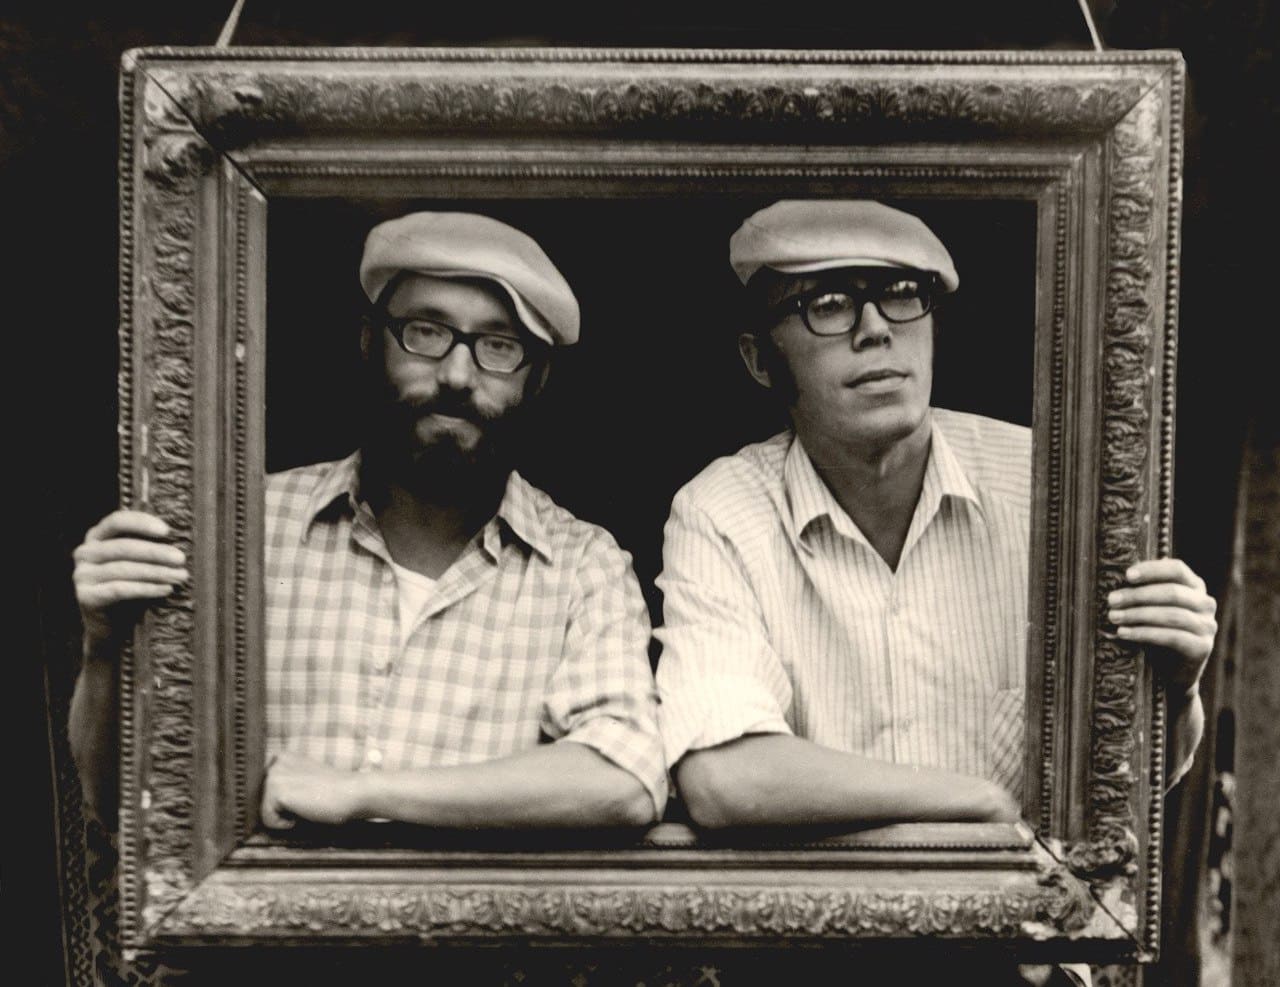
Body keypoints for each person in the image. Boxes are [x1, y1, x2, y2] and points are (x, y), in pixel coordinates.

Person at [70, 211, 667, 831]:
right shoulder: (245, 525)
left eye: (499, 346)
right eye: (426, 332)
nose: (457, 375)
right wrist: (105, 646)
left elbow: (624, 779)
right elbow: (122, 801)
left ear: (535, 379)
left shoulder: (582, 565)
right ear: (369, 341)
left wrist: (361, 793)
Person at [656, 199, 1217, 830]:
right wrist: (980, 802)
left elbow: (1118, 785)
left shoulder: (1051, 490)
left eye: (902, 295)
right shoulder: (721, 513)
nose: (875, 329)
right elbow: (724, 778)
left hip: (1027, 898)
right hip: (819, 899)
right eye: (828, 304)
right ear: (760, 358)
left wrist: (1177, 690)